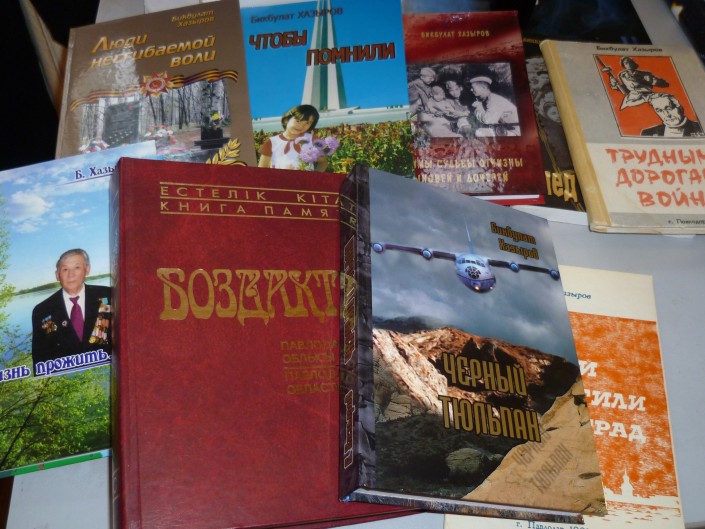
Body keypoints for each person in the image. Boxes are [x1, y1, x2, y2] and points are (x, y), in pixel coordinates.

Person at [31, 249, 112, 373]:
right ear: (57, 275)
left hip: (106, 373)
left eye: (77, 268)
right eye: (65, 269)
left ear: (87, 269)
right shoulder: (42, 310)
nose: (71, 275)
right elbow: (40, 359)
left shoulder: (108, 295)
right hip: (66, 379)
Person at [258, 104, 328, 171]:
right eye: (298, 121)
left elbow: (323, 162)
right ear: (287, 120)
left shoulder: (312, 139)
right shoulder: (271, 143)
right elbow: (262, 169)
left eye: (307, 123)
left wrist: (315, 176)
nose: (301, 126)